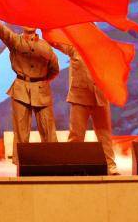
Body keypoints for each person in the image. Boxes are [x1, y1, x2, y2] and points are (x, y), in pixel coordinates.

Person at [0, 11, 59, 165]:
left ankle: (53, 162)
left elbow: (54, 69)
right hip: (20, 90)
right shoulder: (14, 40)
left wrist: (41, 81)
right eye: (26, 19)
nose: (29, 23)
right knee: (21, 131)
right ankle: (21, 164)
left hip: (42, 90)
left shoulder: (46, 46)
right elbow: (0, 29)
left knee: (48, 130)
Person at [46, 37, 119, 174]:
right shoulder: (74, 48)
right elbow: (55, 42)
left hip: (100, 96)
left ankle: (110, 165)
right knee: (76, 135)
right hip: (80, 97)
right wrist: (48, 30)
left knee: (104, 134)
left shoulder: (103, 51)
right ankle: (73, 165)